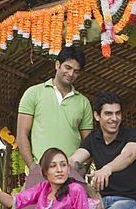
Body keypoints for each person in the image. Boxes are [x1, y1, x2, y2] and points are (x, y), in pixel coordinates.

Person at [16, 46, 92, 182]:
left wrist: (79, 172)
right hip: (40, 172)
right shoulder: (33, 93)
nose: (71, 74)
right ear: (57, 65)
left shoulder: (83, 102)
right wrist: (33, 168)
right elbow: (22, 134)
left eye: (76, 71)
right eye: (67, 68)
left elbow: (89, 143)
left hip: (71, 175)